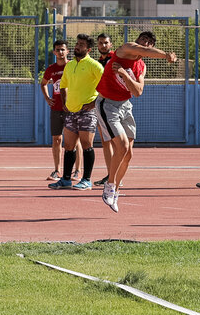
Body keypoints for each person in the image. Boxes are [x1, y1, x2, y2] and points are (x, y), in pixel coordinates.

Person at [98, 31, 178, 212]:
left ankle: (115, 190)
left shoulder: (141, 66)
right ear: (137, 41)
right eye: (144, 40)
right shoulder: (125, 49)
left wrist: (125, 75)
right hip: (107, 104)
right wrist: (166, 55)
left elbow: (138, 91)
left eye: (150, 42)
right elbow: (142, 50)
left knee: (128, 155)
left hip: (125, 106)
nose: (146, 44)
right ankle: (109, 186)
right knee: (122, 146)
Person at [48, 34, 104, 190]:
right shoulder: (70, 65)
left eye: (81, 44)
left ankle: (86, 180)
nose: (77, 46)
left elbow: (106, 85)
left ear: (89, 49)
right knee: (69, 146)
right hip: (71, 112)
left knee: (87, 144)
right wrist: (65, 102)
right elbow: (63, 85)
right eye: (77, 43)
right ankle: (66, 179)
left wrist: (93, 103)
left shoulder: (95, 66)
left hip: (87, 112)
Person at [40, 40, 69, 180]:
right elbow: (43, 83)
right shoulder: (51, 69)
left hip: (72, 109)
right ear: (54, 52)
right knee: (56, 139)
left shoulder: (72, 66)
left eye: (63, 49)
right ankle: (57, 170)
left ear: (67, 51)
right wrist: (47, 98)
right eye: (58, 50)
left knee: (76, 141)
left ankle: (77, 171)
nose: (61, 52)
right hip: (56, 108)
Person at [92, 33, 115, 186]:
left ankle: (116, 177)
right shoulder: (98, 62)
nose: (103, 45)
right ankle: (110, 174)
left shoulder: (115, 59)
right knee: (105, 140)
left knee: (115, 140)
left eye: (106, 43)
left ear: (111, 44)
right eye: (100, 43)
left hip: (114, 103)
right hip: (101, 103)